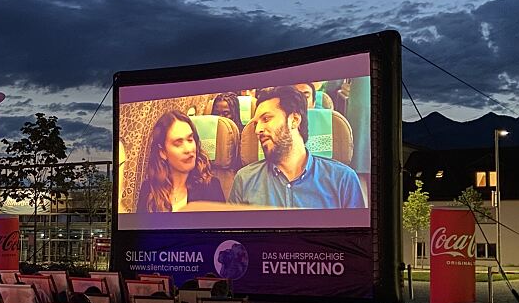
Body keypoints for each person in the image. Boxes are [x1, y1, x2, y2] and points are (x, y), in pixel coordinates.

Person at [229, 86, 365, 208]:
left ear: (294, 120)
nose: (257, 130)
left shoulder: (343, 179)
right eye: (255, 124)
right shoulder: (244, 179)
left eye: (266, 119)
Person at [136, 111, 225, 212]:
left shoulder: (211, 187)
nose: (188, 149)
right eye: (178, 143)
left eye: (190, 140)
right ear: (162, 152)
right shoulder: (149, 190)